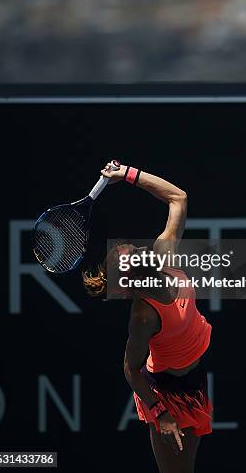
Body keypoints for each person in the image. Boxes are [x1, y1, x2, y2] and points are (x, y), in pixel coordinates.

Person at [83, 161, 212, 473]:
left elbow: (177, 197)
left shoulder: (164, 255)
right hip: (168, 393)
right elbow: (130, 368)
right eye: (125, 256)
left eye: (126, 248)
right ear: (130, 281)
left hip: (195, 381)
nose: (129, 248)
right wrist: (160, 412)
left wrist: (127, 174)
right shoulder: (143, 315)